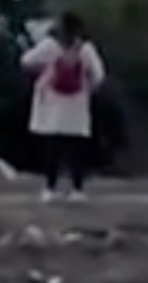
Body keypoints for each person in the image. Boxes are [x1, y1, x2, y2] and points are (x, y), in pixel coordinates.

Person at [20, 13, 107, 200]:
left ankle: (49, 189)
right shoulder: (85, 49)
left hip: (51, 103)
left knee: (52, 148)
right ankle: (77, 189)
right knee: (76, 149)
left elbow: (26, 61)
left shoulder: (49, 46)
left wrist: (43, 71)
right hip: (77, 104)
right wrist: (89, 88)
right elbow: (99, 75)